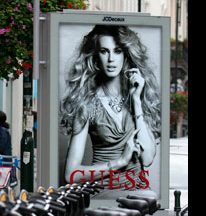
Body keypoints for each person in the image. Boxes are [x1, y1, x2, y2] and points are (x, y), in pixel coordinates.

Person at [60, 25, 161, 197]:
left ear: (126, 54)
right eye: (104, 51)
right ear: (95, 56)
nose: (111, 59)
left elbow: (147, 159)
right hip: (104, 191)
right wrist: (120, 162)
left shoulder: (137, 94)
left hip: (137, 191)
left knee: (149, 199)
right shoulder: (87, 103)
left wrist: (136, 101)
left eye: (117, 51)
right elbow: (71, 175)